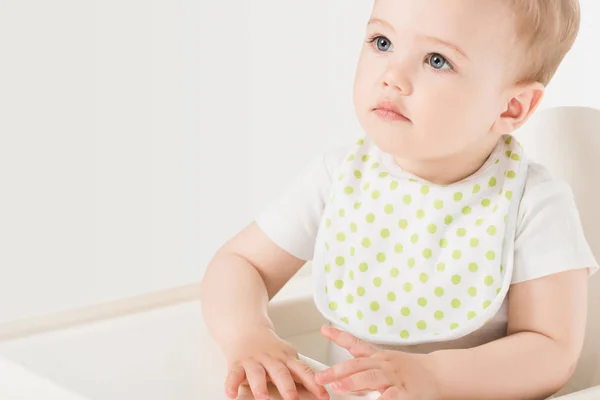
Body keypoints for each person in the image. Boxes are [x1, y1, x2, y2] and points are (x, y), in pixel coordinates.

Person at [200, 0, 599, 399]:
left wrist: (433, 375)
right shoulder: (341, 177)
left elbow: (550, 351)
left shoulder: (534, 204)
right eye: (382, 41)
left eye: (437, 60)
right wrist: (249, 336)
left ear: (511, 107)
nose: (392, 76)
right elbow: (240, 263)